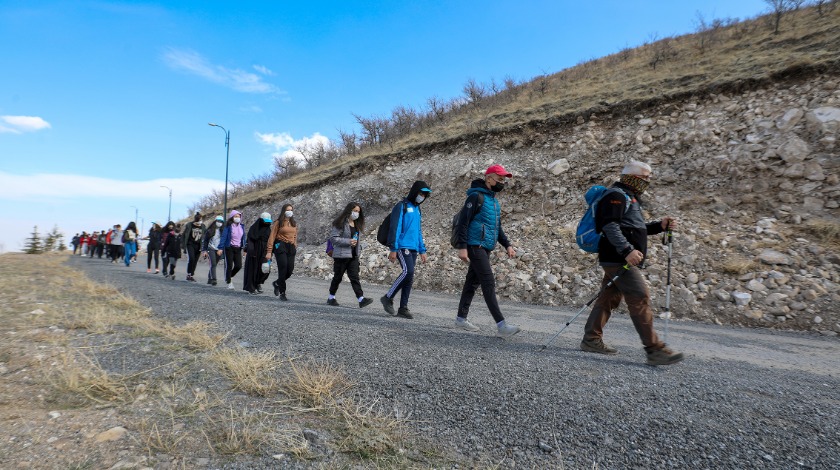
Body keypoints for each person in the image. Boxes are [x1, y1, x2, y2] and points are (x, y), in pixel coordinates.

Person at [580, 161, 684, 366]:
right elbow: (609, 226)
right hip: (618, 258)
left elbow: (633, 227)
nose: (648, 181)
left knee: (608, 298)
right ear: (632, 177)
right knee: (639, 296)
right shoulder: (616, 196)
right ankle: (655, 350)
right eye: (645, 177)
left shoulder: (630, 197)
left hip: (616, 257)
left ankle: (591, 339)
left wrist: (658, 226)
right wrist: (627, 250)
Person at [452, 164, 520, 337]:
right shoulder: (476, 197)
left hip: (486, 246)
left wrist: (508, 245)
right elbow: (463, 223)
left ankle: (461, 318)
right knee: (488, 282)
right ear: (489, 178)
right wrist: (462, 247)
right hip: (475, 246)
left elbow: (497, 227)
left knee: (472, 283)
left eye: (504, 180)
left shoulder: (494, 201)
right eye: (499, 179)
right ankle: (501, 325)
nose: (502, 182)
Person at [380, 181, 432, 319]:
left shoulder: (417, 209)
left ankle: (403, 308)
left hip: (414, 247)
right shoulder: (401, 206)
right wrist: (394, 248)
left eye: (424, 195)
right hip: (402, 246)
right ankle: (388, 297)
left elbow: (418, 231)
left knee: (409, 277)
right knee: (407, 271)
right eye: (420, 193)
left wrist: (422, 250)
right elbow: (395, 228)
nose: (422, 197)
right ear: (414, 192)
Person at [327, 202, 374, 308]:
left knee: (354, 277)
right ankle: (331, 297)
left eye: (358, 212)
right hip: (341, 255)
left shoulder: (357, 225)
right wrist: (348, 241)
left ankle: (361, 299)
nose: (356, 213)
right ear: (349, 210)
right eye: (355, 211)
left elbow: (356, 240)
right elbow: (334, 238)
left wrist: (361, 246)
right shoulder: (340, 223)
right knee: (338, 277)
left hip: (353, 256)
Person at [265, 204, 298, 301]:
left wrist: (295, 244)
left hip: (291, 247)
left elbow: (295, 235)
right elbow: (272, 237)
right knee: (283, 267)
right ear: (283, 211)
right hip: (280, 245)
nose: (289, 212)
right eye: (287, 210)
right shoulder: (278, 223)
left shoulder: (294, 223)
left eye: (291, 210)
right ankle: (282, 292)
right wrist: (269, 251)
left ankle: (277, 283)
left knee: (290, 269)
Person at [242, 212, 272, 295]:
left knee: (265, 269)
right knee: (253, 269)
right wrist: (251, 251)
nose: (267, 223)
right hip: (254, 251)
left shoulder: (268, 229)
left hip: (265, 251)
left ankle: (258, 282)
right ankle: (251, 288)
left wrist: (270, 251)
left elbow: (271, 241)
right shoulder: (254, 228)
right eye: (265, 221)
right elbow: (250, 240)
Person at [219, 210, 246, 290]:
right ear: (232, 217)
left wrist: (245, 248)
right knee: (229, 265)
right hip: (229, 247)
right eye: (236, 216)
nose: (237, 218)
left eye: (239, 216)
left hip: (238, 248)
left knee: (238, 266)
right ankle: (229, 282)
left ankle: (230, 276)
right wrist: (220, 248)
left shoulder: (242, 226)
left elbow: (243, 238)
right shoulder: (228, 226)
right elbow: (223, 237)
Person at [182, 212, 206, 282]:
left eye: (201, 219)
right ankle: (189, 274)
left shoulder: (203, 226)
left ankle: (191, 275)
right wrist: (183, 245)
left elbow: (205, 236)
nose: (200, 220)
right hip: (190, 244)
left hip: (199, 245)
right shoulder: (189, 225)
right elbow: (184, 235)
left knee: (195, 261)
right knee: (191, 258)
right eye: (199, 219)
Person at [202, 216, 225, 286]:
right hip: (210, 248)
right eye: (218, 221)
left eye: (221, 222)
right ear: (215, 221)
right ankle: (214, 279)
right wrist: (204, 250)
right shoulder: (210, 230)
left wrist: (222, 249)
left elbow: (224, 241)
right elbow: (205, 241)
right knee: (213, 263)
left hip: (219, 250)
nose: (219, 223)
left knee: (214, 264)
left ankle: (209, 278)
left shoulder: (224, 231)